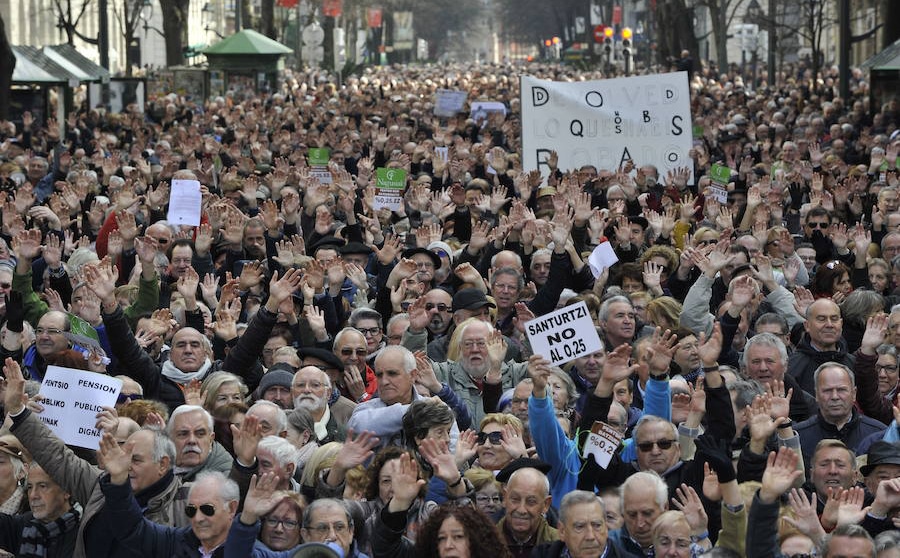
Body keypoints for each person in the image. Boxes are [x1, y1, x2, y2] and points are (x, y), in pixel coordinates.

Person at [532, 490, 623, 558]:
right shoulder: (542, 555)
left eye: (597, 525)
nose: (590, 536)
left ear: (606, 528)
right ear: (562, 531)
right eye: (580, 527)